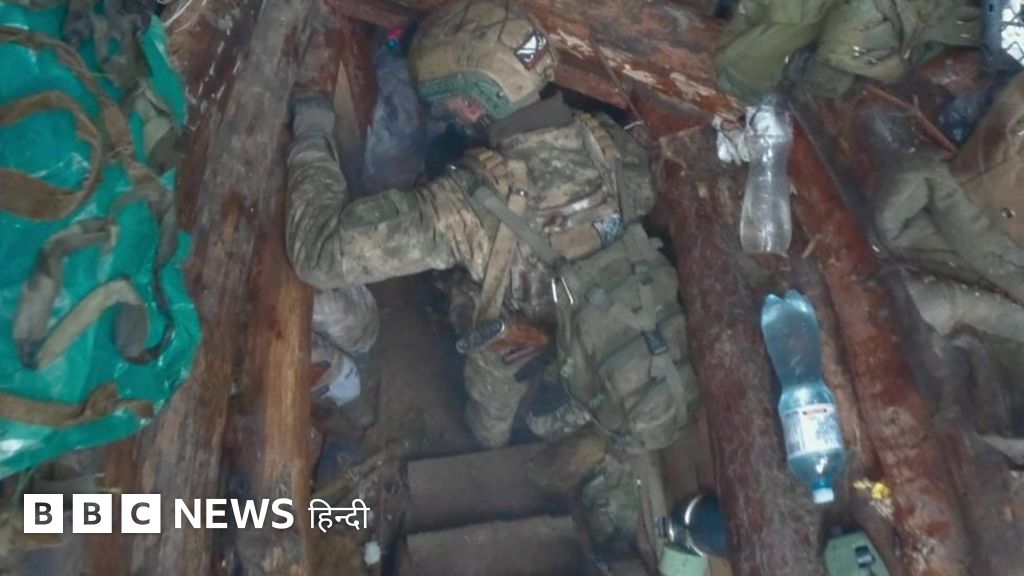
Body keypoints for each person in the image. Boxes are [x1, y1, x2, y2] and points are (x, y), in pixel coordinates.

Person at [286, 0, 698, 451]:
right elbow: (634, 199)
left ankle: (489, 440)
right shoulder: (609, 142)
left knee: (491, 397)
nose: (447, 111)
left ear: (471, 104)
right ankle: (523, 426)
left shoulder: (473, 204)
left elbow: (319, 254)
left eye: (448, 102)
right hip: (616, 325)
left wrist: (312, 125)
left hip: (520, 340)